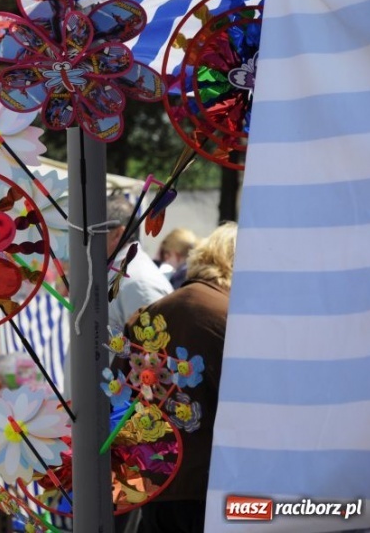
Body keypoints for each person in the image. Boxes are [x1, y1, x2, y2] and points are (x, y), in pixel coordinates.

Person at [122, 222, 238, 533]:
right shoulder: (233, 318)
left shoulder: (149, 314)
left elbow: (119, 397)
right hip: (214, 489)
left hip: (154, 484)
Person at [106, 193, 173, 333]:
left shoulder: (139, 282)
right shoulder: (124, 274)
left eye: (93, 231)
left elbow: (150, 349)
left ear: (117, 234)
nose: (86, 238)